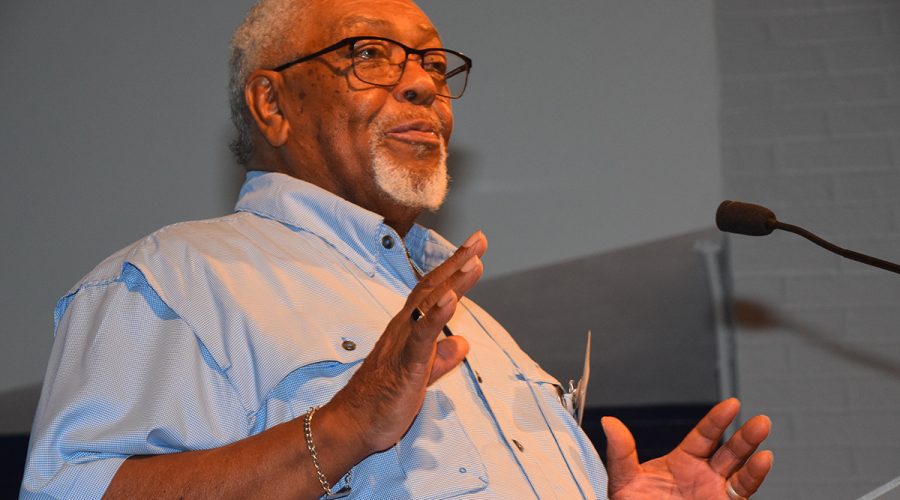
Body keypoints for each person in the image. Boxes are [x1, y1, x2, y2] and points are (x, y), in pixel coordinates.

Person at [21, 0, 773, 498]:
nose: (423, 87)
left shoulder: (479, 330)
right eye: (372, 56)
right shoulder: (176, 279)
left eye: (435, 66)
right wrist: (343, 427)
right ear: (273, 103)